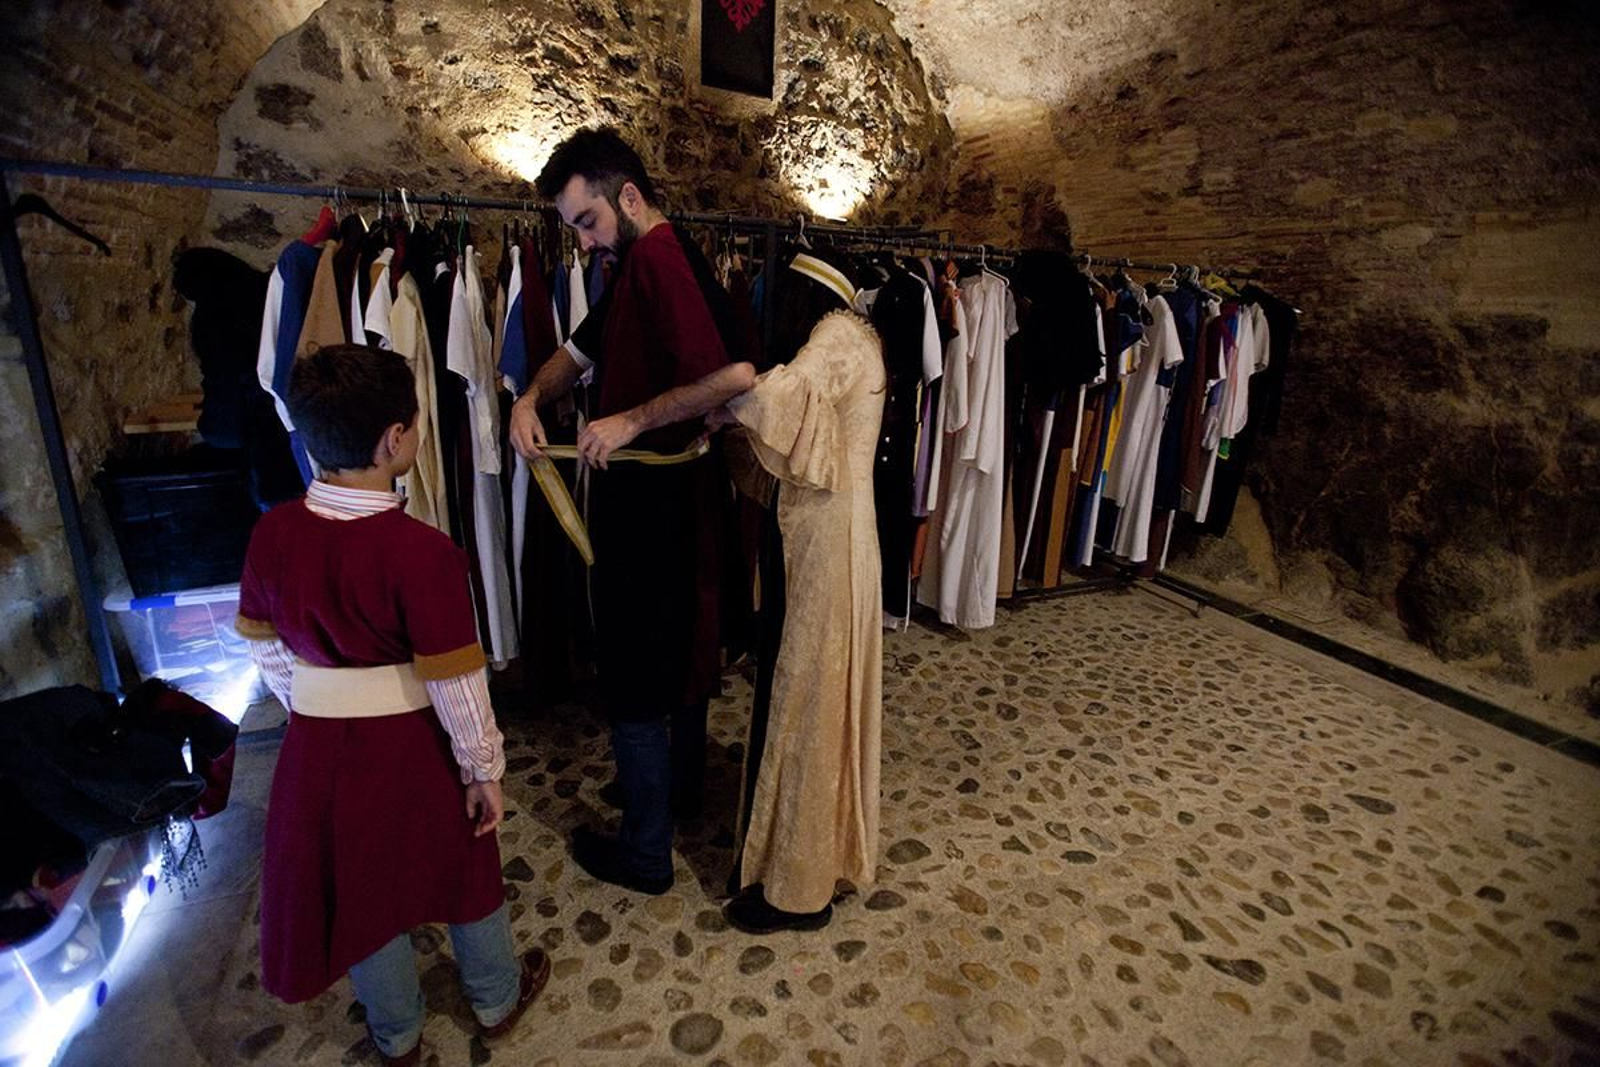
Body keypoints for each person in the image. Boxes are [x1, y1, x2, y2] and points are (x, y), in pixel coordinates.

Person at [237, 344, 547, 1066]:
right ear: (396, 439)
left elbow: (267, 650)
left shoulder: (272, 533)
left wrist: (315, 702)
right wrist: (483, 768)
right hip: (412, 743)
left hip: (317, 748)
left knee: (362, 885)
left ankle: (397, 1032)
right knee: (468, 862)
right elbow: (458, 686)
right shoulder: (423, 552)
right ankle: (497, 995)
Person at [509, 126, 756, 895]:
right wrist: (530, 395)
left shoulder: (657, 257)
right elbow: (579, 351)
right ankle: (674, 793)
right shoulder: (630, 262)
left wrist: (630, 420)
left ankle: (646, 849)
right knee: (670, 654)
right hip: (661, 504)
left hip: (656, 507)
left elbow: (732, 376)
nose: (583, 243)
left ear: (630, 196)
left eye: (587, 222)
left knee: (638, 669)